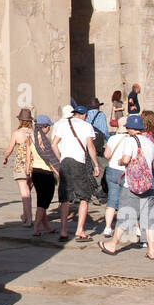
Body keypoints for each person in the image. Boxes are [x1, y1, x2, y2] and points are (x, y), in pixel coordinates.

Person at [101, 115, 154, 258]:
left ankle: (112, 244)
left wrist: (121, 162)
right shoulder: (150, 143)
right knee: (149, 218)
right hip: (149, 185)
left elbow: (126, 159)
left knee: (125, 215)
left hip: (132, 185)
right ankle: (152, 251)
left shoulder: (130, 141)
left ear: (129, 128)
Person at [51, 104, 97, 242]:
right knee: (84, 197)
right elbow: (90, 146)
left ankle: (63, 231)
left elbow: (53, 144)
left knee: (65, 198)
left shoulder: (63, 124)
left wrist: (60, 158)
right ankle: (80, 230)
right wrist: (95, 164)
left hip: (65, 162)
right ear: (83, 115)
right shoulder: (86, 126)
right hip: (79, 162)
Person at [27, 115, 61, 237]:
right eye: (48, 127)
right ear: (44, 127)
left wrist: (27, 170)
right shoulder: (44, 141)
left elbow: (28, 155)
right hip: (45, 173)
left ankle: (46, 226)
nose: (49, 129)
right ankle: (36, 228)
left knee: (42, 201)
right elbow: (50, 160)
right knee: (43, 202)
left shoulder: (32, 138)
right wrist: (59, 172)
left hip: (35, 171)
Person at [1, 108, 36, 227]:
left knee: (24, 192)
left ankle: (29, 218)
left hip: (21, 164)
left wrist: (5, 157)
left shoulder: (17, 133)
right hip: (33, 163)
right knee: (28, 191)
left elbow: (10, 148)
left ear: (20, 120)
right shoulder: (33, 132)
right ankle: (26, 215)